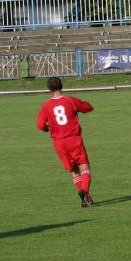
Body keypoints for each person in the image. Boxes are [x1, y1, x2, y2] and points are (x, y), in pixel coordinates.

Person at [36, 77, 94, 207]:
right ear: (62, 86)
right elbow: (89, 108)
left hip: (59, 142)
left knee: (73, 171)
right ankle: (85, 191)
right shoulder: (70, 100)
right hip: (74, 139)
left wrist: (47, 129)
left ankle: (87, 198)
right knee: (84, 166)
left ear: (49, 90)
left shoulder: (46, 105)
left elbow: (40, 125)